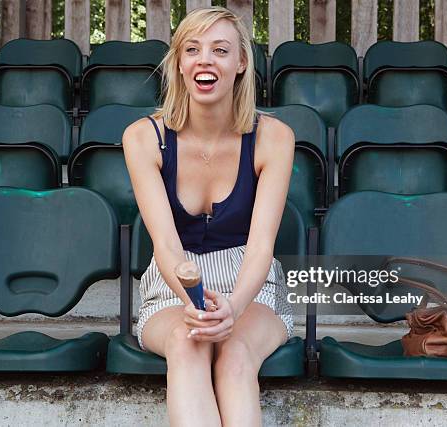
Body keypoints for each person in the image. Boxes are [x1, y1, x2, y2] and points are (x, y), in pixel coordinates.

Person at [122, 6, 295, 426]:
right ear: (180, 63)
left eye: (220, 50)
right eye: (193, 49)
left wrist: (232, 307)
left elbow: (261, 247)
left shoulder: (274, 138)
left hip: (250, 286)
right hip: (174, 284)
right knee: (188, 342)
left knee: (235, 351)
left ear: (240, 64)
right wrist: (195, 307)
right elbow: (164, 243)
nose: (205, 60)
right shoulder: (144, 137)